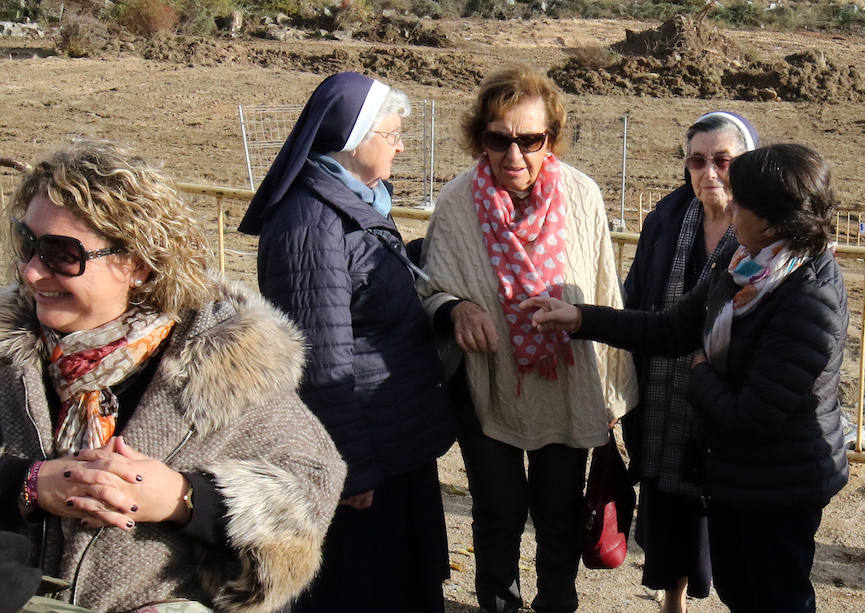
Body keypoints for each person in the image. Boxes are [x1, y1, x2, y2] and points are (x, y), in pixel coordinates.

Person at [0, 140, 346, 612]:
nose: (32, 272)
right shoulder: (8, 352)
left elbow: (312, 484)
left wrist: (181, 498)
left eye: (62, 255)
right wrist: (28, 482)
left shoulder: (224, 365)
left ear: (137, 265)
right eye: (27, 244)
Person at [523, 144, 849, 613]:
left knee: (776, 598)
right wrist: (580, 318)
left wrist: (698, 374)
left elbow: (750, 414)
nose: (729, 208)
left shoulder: (808, 299)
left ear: (775, 221)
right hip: (736, 474)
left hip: (781, 482)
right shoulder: (744, 260)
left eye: (742, 201)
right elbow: (673, 327)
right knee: (739, 590)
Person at [417, 63, 639, 613]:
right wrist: (458, 309)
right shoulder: (456, 203)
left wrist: (610, 391)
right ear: (481, 139)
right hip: (486, 384)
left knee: (558, 513)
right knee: (498, 512)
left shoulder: (583, 197)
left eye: (530, 140)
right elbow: (430, 291)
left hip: (564, 385)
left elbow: (605, 294)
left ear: (551, 139)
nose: (514, 156)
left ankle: (557, 604)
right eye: (499, 139)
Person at [238, 72, 456, 613]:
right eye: (393, 133)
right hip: (363, 452)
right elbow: (319, 358)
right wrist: (350, 469)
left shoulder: (357, 201)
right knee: (366, 588)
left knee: (407, 578)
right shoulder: (309, 223)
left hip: (393, 436)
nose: (402, 145)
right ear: (354, 139)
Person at [621, 111, 758, 612]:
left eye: (724, 161)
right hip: (661, 390)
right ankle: (671, 599)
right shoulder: (665, 220)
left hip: (722, 396)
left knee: (721, 516)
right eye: (698, 161)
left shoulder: (761, 231)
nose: (710, 173)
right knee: (668, 506)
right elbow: (637, 298)